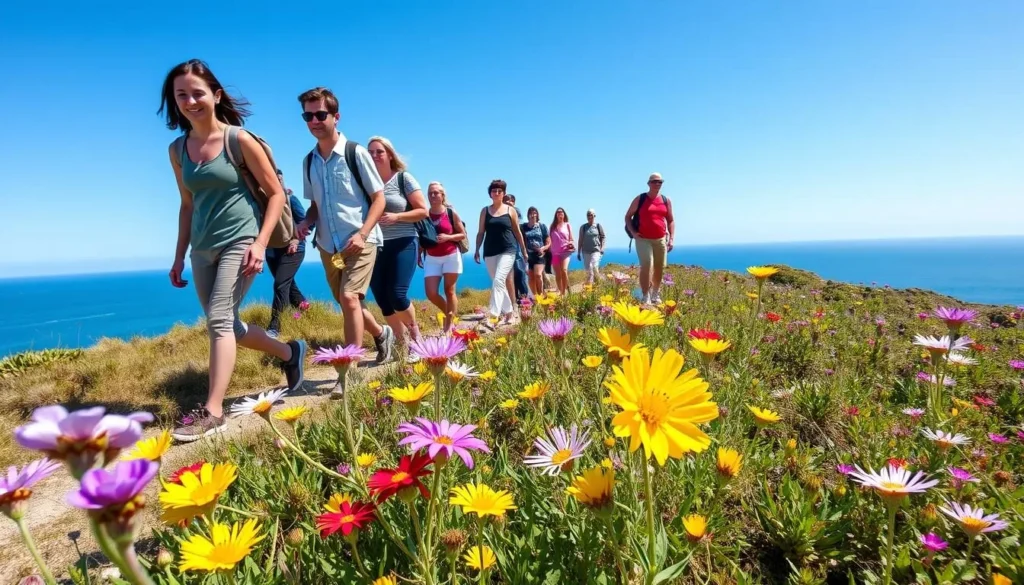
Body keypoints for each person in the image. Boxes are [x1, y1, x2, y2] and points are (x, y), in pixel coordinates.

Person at [160, 59, 306, 442]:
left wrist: (260, 243)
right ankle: (291, 353)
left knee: (218, 321)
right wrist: (178, 255)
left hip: (241, 241)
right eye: (181, 95)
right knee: (229, 325)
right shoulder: (177, 149)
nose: (190, 100)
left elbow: (275, 194)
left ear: (215, 95)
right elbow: (187, 206)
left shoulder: (238, 140)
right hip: (202, 248)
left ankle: (212, 411)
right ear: (174, 101)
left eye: (197, 93)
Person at [293, 87, 396, 385]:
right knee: (346, 302)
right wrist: (305, 223)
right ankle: (381, 334)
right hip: (330, 247)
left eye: (320, 114)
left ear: (336, 117)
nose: (314, 120)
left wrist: (363, 234)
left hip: (360, 241)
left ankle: (348, 373)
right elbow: (315, 206)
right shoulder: (308, 161)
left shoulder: (355, 153)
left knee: (350, 298)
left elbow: (379, 199)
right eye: (307, 115)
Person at [366, 136, 428, 348]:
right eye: (371, 152)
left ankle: (416, 336)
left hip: (404, 241)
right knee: (383, 299)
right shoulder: (367, 183)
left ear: (389, 154)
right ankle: (404, 344)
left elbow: (423, 211)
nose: (374, 156)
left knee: (397, 295)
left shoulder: (403, 179)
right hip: (376, 245)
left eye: (379, 151)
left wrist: (397, 217)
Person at [474, 179, 527, 326]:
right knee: (498, 284)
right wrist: (477, 249)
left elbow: (517, 231)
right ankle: (509, 314)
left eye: (499, 191)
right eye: (494, 191)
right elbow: (480, 232)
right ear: (490, 194)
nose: (496, 193)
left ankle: (493, 316)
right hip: (490, 251)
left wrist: (523, 249)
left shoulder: (511, 211)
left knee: (498, 280)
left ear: (503, 193)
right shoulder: (485, 211)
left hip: (508, 250)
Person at [265, 171, 309, 338]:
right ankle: (306, 312)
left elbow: (305, 222)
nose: (277, 180)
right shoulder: (262, 200)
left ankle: (275, 326)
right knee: (289, 286)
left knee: (280, 285)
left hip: (293, 248)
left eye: (280, 177)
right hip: (271, 250)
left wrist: (296, 240)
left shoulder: (291, 199)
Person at [420, 182, 466, 334]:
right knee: (431, 293)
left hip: (451, 255)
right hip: (432, 257)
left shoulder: (451, 213)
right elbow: (422, 236)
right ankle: (450, 315)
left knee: (449, 290)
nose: (433, 195)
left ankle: (448, 326)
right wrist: (418, 253)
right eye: (430, 193)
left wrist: (448, 237)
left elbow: (462, 234)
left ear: (442, 195)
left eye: (436, 193)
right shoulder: (424, 215)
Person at [624, 172, 675, 304]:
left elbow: (670, 220)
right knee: (646, 264)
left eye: (660, 182)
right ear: (648, 183)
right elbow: (627, 217)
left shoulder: (666, 200)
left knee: (659, 267)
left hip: (660, 239)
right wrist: (634, 233)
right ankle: (645, 295)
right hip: (643, 238)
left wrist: (671, 238)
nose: (657, 184)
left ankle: (655, 294)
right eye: (654, 181)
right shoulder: (640, 199)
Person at [504, 194, 531, 302]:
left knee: (519, 270)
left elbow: (517, 225)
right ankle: (513, 297)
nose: (508, 202)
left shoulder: (516, 211)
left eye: (510, 200)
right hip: (505, 246)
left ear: (514, 202)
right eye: (506, 200)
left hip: (516, 245)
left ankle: (524, 296)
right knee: (509, 273)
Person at [520, 206, 550, 296]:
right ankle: (535, 297)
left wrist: (544, 248)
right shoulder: (523, 227)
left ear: (537, 214)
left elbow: (548, 241)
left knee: (538, 275)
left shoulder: (542, 226)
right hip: (528, 256)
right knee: (531, 278)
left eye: (534, 213)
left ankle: (540, 295)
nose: (533, 215)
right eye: (531, 213)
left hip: (539, 255)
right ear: (528, 215)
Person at [548, 207, 574, 295]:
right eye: (558, 212)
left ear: (564, 214)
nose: (560, 213)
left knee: (564, 270)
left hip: (565, 251)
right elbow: (549, 240)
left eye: (561, 212)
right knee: (558, 274)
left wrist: (570, 243)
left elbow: (571, 239)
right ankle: (560, 290)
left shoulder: (567, 225)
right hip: (555, 253)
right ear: (556, 215)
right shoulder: (552, 227)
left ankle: (564, 292)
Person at [577, 208, 605, 285]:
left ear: (594, 216)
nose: (589, 216)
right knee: (587, 270)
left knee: (593, 266)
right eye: (588, 215)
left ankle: (593, 284)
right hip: (585, 251)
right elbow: (580, 240)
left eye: (591, 215)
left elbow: (603, 237)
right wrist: (578, 252)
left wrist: (602, 248)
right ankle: (592, 286)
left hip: (596, 250)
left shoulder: (598, 226)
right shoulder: (583, 227)